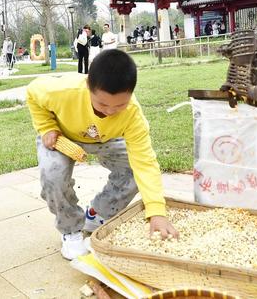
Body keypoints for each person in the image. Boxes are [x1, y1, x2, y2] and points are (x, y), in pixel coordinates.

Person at [26, 49, 179, 259]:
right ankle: (71, 230)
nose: (109, 111)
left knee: (134, 171)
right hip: (61, 136)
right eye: (102, 103)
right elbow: (32, 92)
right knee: (53, 176)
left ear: (131, 94)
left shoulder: (133, 114)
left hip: (106, 139)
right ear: (88, 85)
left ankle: (97, 214)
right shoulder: (63, 90)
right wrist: (46, 127)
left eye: (120, 105)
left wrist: (157, 212)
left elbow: (145, 163)